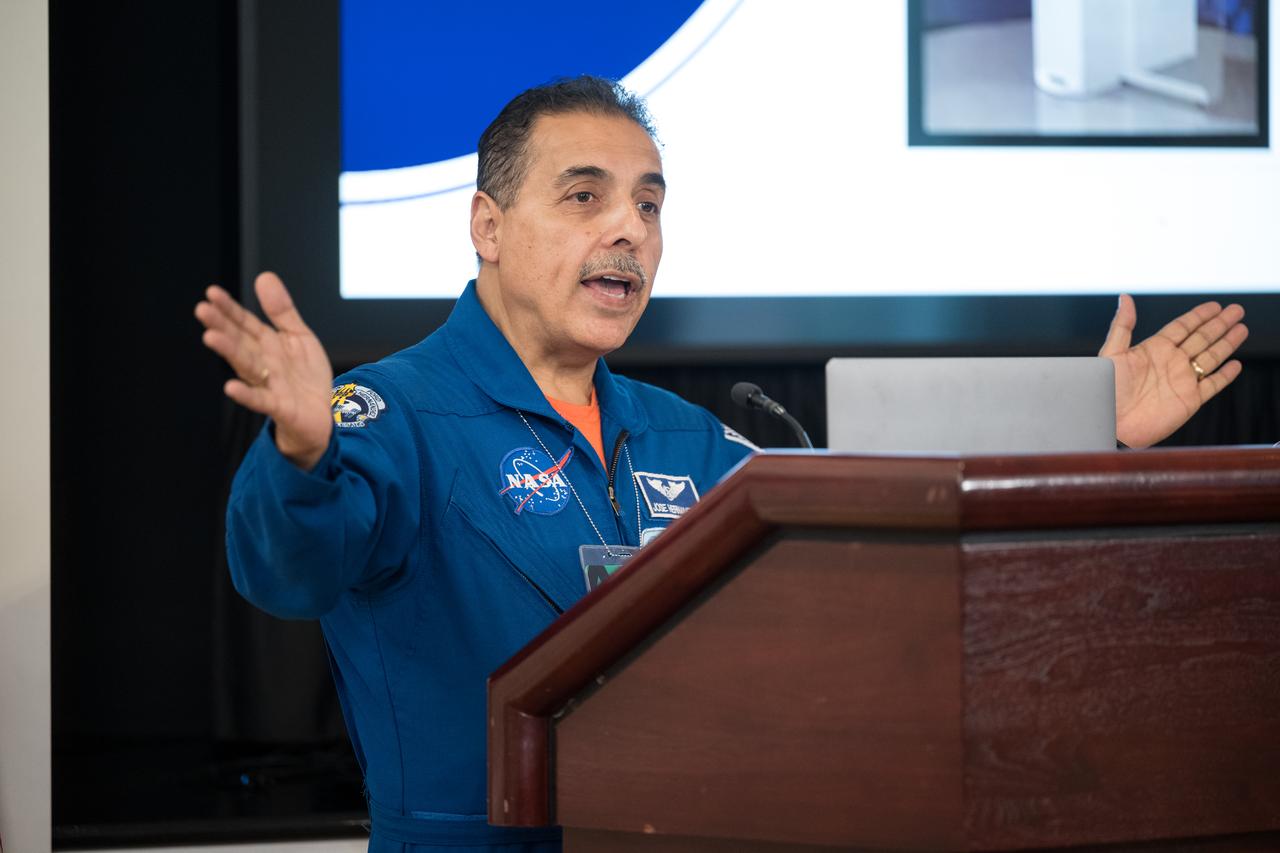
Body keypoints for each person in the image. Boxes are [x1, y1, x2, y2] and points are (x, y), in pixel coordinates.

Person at [194, 76, 1248, 852]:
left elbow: (874, 531)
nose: (628, 232)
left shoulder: (682, 435)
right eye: (582, 197)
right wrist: (300, 450)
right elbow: (287, 567)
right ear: (487, 225)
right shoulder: (393, 414)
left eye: (648, 205)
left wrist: (1084, 432)